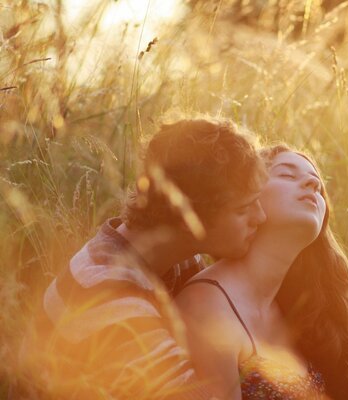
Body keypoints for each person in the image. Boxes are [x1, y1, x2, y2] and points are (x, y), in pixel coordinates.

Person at [19, 117, 267, 399]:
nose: (261, 216)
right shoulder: (109, 294)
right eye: (244, 208)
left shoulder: (175, 260)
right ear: (189, 217)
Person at [176, 145, 348, 400]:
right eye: (288, 175)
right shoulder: (206, 308)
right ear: (248, 195)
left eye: (318, 186)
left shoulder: (299, 308)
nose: (313, 182)